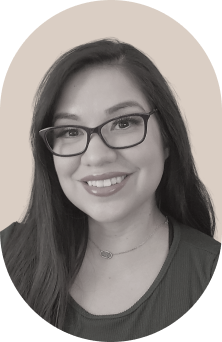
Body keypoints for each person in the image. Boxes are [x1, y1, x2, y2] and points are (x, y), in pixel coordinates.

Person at [1, 38, 222, 340]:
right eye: (70, 130)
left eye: (123, 123)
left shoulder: (211, 276)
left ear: (167, 138)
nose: (96, 156)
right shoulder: (8, 256)